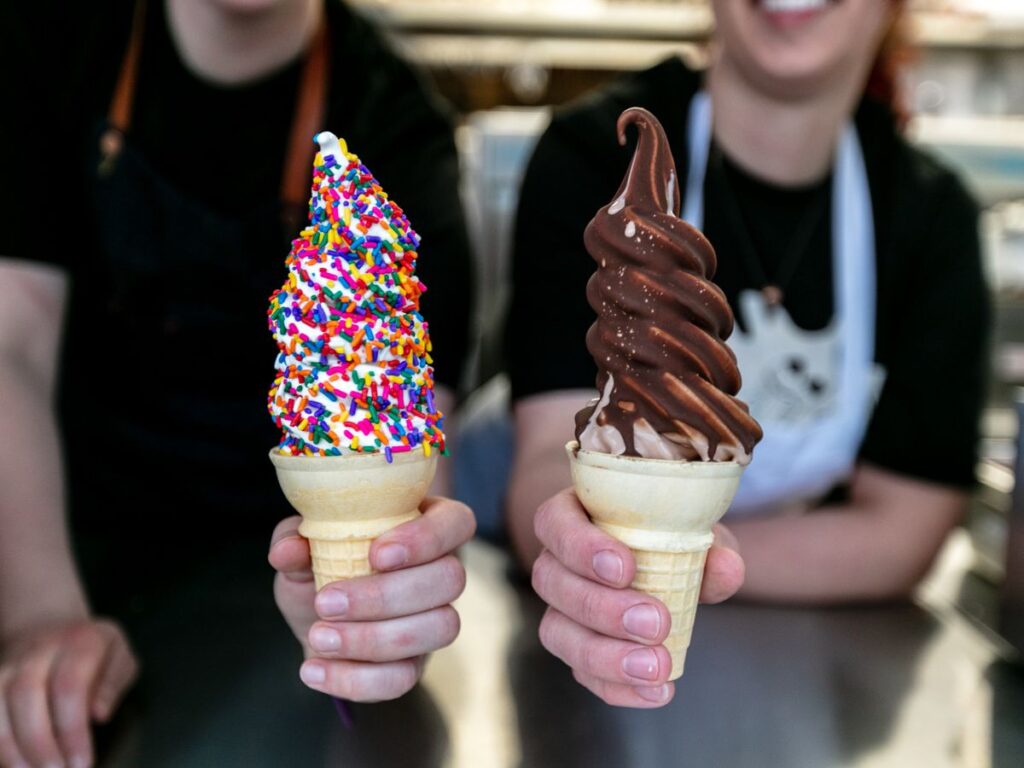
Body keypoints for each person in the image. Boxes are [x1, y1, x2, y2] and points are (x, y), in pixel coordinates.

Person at [0, 1, 476, 765]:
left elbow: (412, 440)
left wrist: (376, 607)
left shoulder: (397, 128)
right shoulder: (43, 44)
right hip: (54, 547)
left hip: (274, 590)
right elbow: (8, 346)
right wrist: (39, 614)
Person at [506, 0, 989, 707]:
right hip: (581, 656)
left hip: (812, 683)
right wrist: (577, 551)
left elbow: (907, 530)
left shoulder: (930, 217)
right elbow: (548, 457)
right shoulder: (600, 159)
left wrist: (690, 553)